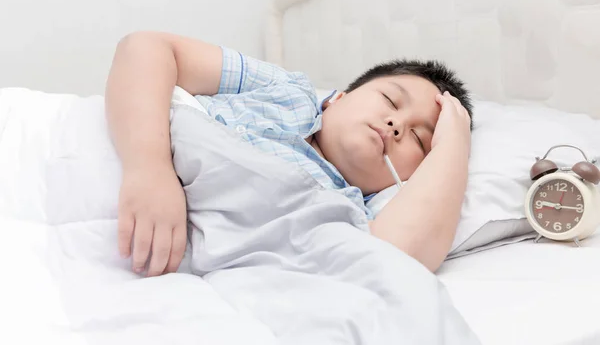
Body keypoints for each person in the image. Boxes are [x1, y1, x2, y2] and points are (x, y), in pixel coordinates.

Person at [105, 31, 473, 277]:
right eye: (390, 100)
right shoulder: (285, 90)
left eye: (418, 140)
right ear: (336, 99)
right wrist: (150, 168)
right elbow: (145, 48)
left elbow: (396, 260)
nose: (396, 125)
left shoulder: (357, 213)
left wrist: (453, 144)